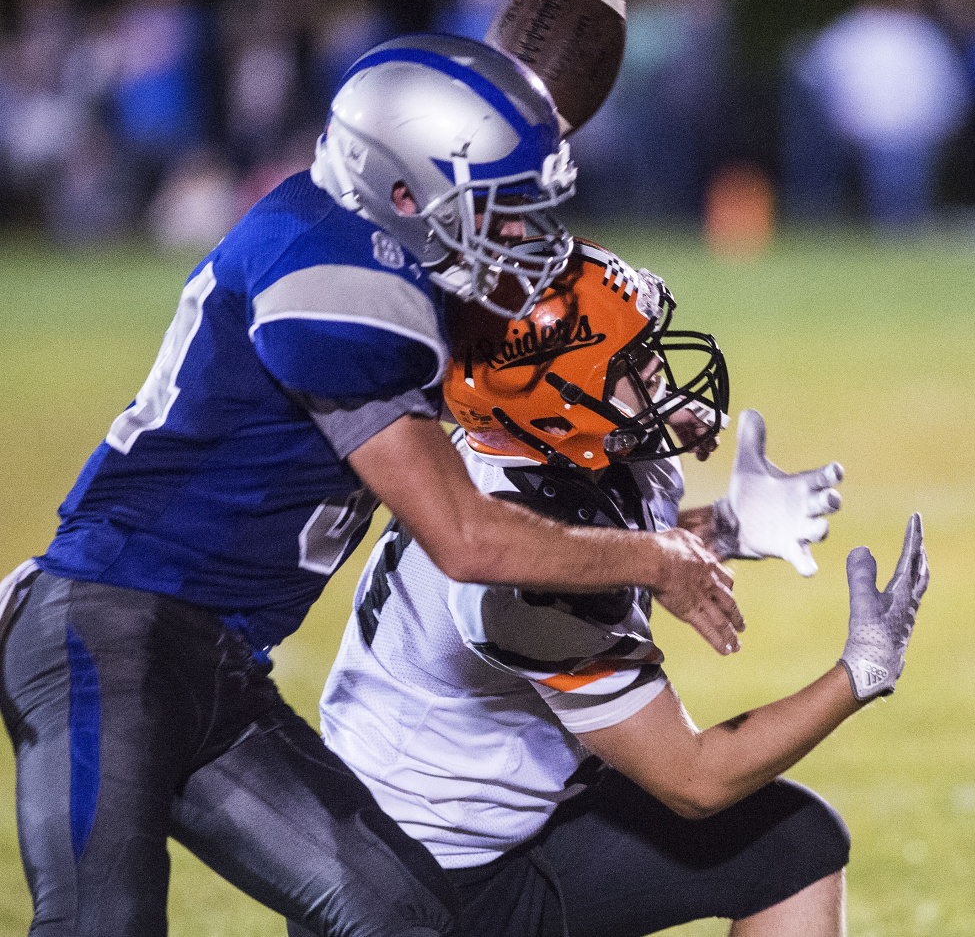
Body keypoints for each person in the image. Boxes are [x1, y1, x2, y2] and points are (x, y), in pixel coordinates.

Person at [0, 34, 751, 937]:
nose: (519, 235)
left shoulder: (377, 246)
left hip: (214, 663)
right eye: (495, 210)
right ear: (404, 194)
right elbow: (467, 537)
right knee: (101, 923)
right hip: (106, 630)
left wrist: (647, 434)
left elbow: (520, 414)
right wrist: (653, 557)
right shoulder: (337, 281)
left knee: (404, 918)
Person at [302, 241, 928, 937]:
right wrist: (860, 672)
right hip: (423, 894)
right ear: (559, 398)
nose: (658, 368)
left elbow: (596, 549)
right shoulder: (521, 572)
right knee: (754, 822)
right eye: (631, 361)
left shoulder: (527, 451)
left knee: (790, 842)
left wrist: (714, 531)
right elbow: (695, 779)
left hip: (463, 836)